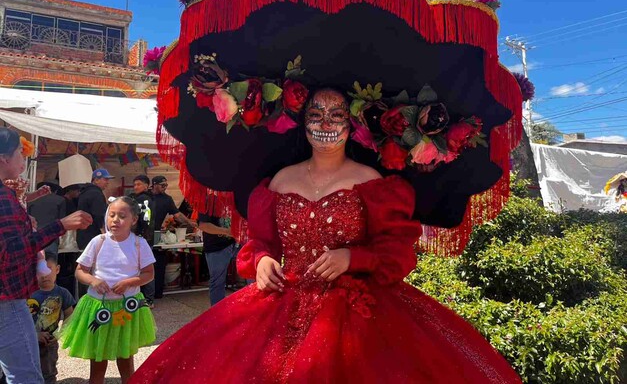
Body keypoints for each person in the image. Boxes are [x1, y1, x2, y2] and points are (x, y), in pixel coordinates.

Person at [130, 89, 521, 383]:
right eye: (316, 114)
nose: (326, 123)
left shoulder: (372, 182)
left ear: (351, 126)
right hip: (280, 303)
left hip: (361, 313)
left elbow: (397, 250)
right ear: (303, 122)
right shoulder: (280, 181)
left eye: (336, 115)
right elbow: (262, 242)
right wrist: (263, 260)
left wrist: (355, 259)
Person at [0, 127, 92, 384]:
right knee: (26, 374)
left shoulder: (7, 194)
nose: (23, 159)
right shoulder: (3, 198)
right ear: (4, 158)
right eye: (20, 153)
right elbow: (12, 252)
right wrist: (60, 225)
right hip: (6, 297)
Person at [61, 196, 156, 384]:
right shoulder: (98, 241)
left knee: (125, 355)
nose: (115, 220)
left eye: (122, 216)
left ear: (134, 220)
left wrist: (130, 282)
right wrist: (93, 281)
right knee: (98, 356)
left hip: (127, 308)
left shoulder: (139, 244)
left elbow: (149, 274)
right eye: (111, 215)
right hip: (98, 307)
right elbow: (80, 270)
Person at [29, 252, 76, 384]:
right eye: (39, 271)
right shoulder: (29, 293)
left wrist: (59, 333)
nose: (45, 274)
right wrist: (34, 334)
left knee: (49, 373)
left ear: (57, 269)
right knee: (28, 370)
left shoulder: (62, 293)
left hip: (49, 342)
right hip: (28, 340)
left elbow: (70, 315)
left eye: (49, 268)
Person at [197, 213, 237, 306]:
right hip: (217, 247)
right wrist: (227, 231)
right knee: (217, 282)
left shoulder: (235, 199)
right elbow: (203, 225)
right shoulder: (208, 200)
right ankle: (217, 314)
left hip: (235, 243)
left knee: (252, 276)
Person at [129, 175, 155, 307]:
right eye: (134, 185)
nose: (136, 187)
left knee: (146, 268)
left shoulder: (145, 200)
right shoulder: (136, 199)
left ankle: (149, 299)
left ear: (146, 185)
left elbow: (147, 221)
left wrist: (143, 235)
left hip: (143, 238)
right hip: (140, 238)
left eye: (138, 184)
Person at [76, 169, 113, 250]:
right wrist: (105, 231)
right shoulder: (95, 193)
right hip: (92, 235)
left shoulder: (85, 192)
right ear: (96, 180)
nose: (107, 182)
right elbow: (99, 215)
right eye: (105, 179)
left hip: (83, 235)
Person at [28, 182, 67, 257]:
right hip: (52, 234)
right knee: (51, 261)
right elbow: (62, 218)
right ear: (55, 191)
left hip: (34, 234)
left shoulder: (31, 200)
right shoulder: (60, 200)